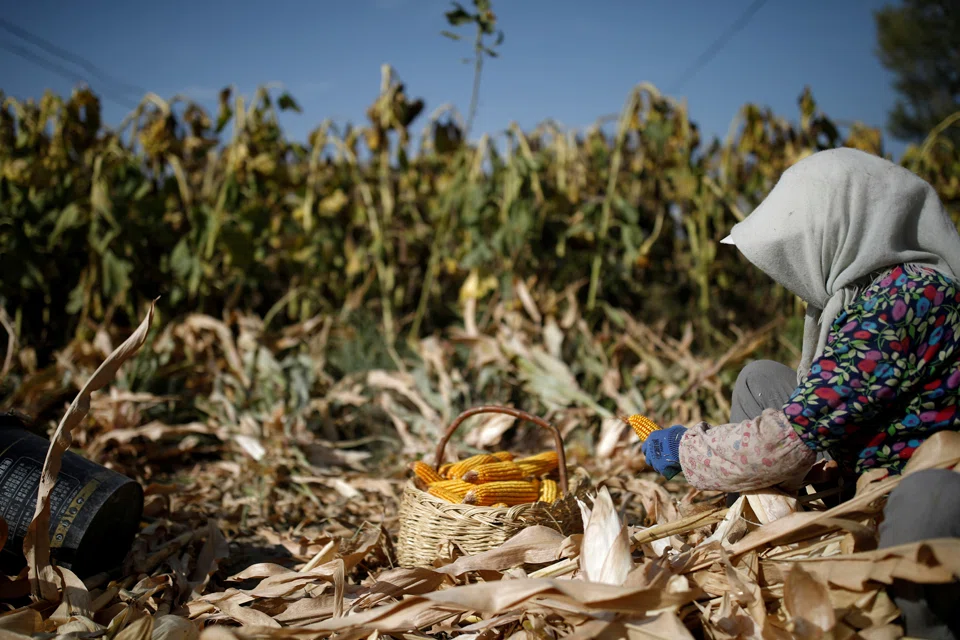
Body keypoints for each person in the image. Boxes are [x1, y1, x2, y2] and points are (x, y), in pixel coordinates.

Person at [640, 148, 960, 640]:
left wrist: (688, 449)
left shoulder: (905, 299)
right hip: (870, 443)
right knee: (761, 378)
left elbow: (788, 438)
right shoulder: (864, 291)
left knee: (924, 511)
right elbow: (821, 396)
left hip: (914, 472)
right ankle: (763, 532)